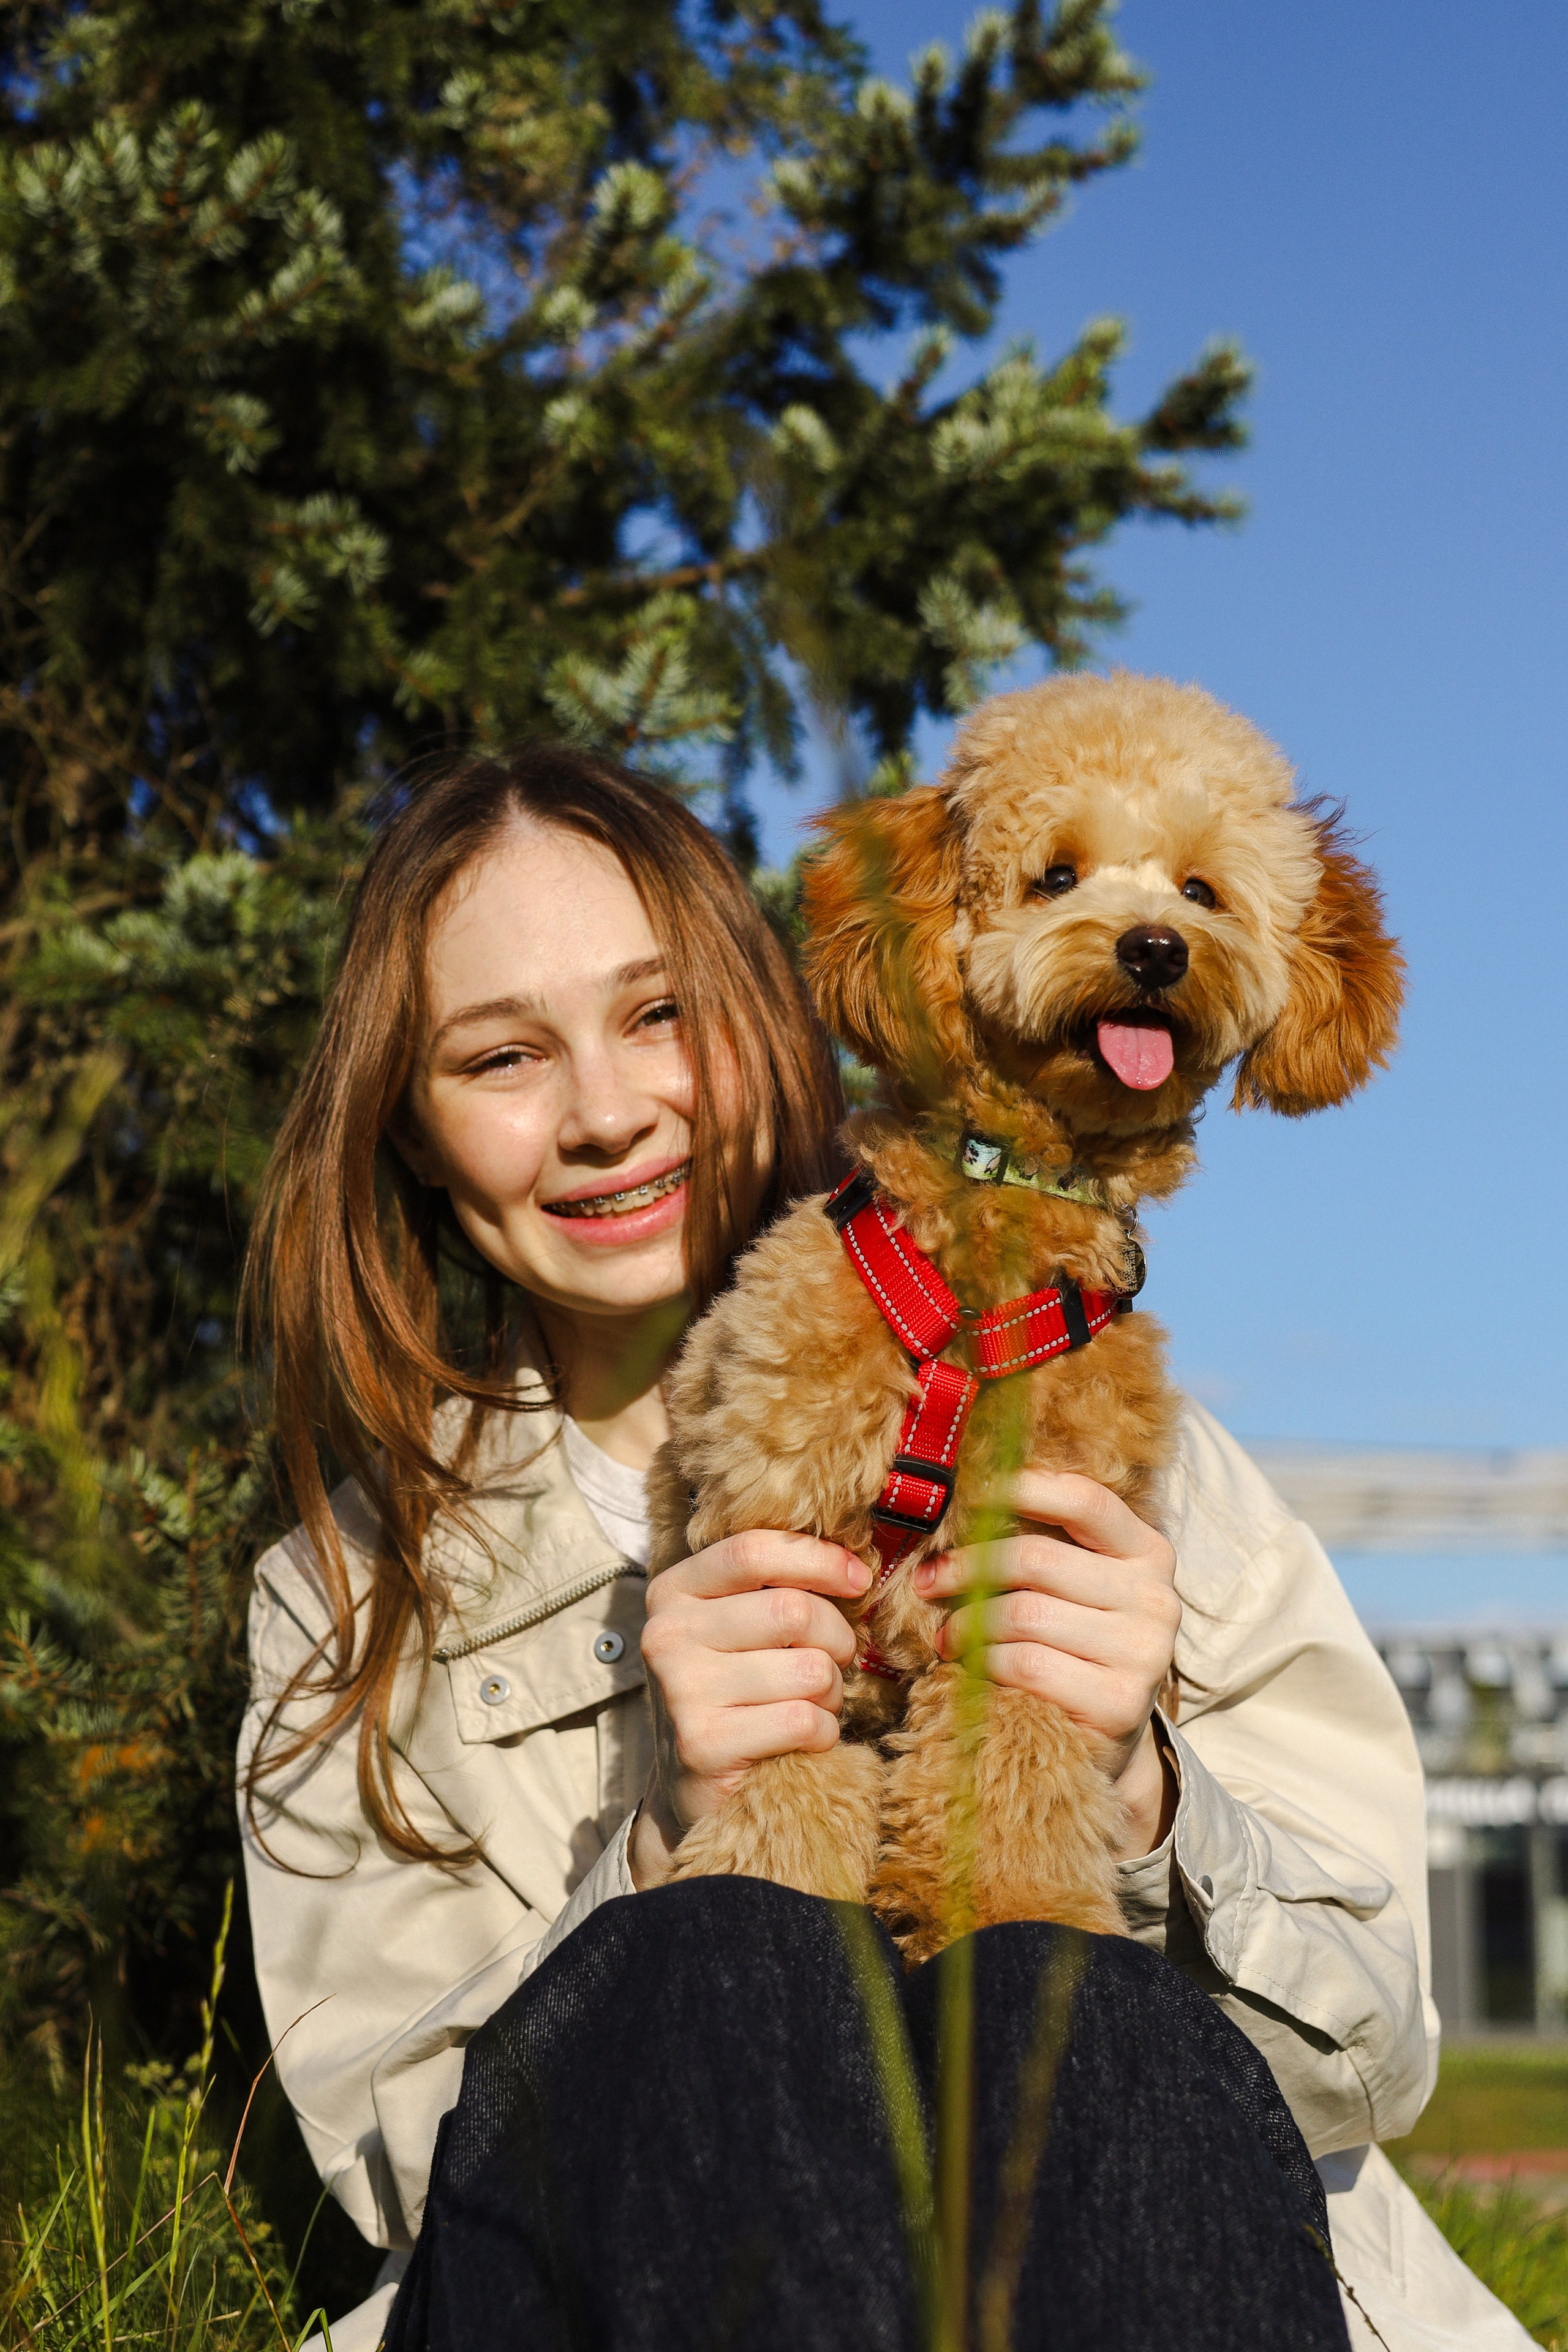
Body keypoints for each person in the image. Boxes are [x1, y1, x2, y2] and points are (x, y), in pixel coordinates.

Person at [239, 747, 1528, 2352]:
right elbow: (412, 2183)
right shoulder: (351, 1595)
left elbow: (1374, 2061)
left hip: (1124, 2260)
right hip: (641, 2285)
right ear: (415, 1131)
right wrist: (665, 1851)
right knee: (721, 1973)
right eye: (500, 1058)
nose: (604, 1114)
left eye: (660, 1017)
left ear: (770, 1019)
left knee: (1086, 2019)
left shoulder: (1142, 1460)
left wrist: (1139, 1791)